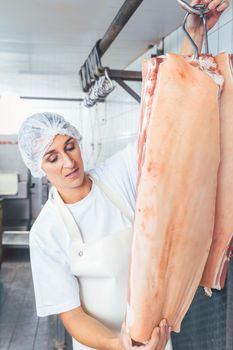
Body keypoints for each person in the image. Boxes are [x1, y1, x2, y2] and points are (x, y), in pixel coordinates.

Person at [18, 1, 229, 349]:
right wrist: (119, 344)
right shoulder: (46, 232)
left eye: (70, 147)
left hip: (156, 337)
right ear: (39, 167)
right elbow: (70, 315)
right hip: (106, 345)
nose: (68, 163)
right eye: (52, 158)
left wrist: (194, 35)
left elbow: (169, 128)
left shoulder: (116, 175)